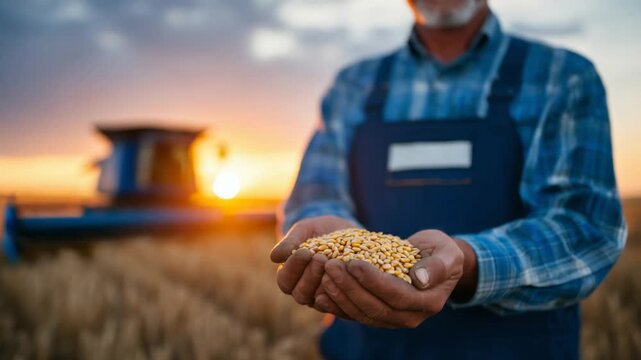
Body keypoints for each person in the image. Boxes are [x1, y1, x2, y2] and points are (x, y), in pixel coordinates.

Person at [270, 0, 628, 359]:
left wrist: (468, 261)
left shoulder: (562, 77)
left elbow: (585, 227)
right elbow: (313, 196)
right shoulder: (353, 87)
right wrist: (334, 245)